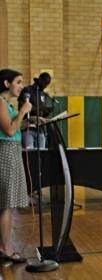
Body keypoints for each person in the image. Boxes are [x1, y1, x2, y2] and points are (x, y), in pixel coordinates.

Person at [0, 69, 32, 265]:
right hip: (6, 153)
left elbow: (14, 125)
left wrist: (29, 121)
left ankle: (6, 247)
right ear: (6, 84)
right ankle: (6, 250)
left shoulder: (6, 104)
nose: (21, 86)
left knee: (8, 206)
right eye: (18, 82)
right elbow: (10, 130)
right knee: (5, 205)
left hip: (13, 152)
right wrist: (22, 111)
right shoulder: (0, 102)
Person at [18, 72, 53, 149]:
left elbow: (42, 114)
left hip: (40, 130)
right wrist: (40, 108)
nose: (45, 86)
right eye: (45, 82)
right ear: (40, 79)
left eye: (47, 84)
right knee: (31, 155)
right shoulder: (27, 90)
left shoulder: (44, 94)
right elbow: (22, 107)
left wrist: (46, 112)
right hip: (28, 128)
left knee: (42, 154)